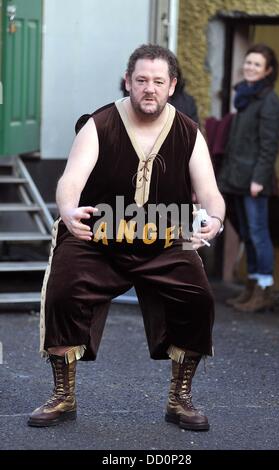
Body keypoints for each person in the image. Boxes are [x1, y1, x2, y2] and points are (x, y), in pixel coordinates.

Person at [28, 44, 225, 431]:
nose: (148, 89)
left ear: (171, 86)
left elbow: (209, 191)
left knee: (197, 297)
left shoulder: (189, 133)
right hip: (97, 235)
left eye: (157, 81)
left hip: (167, 235)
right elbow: (70, 182)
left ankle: (179, 398)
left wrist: (215, 218)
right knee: (64, 292)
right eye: (141, 80)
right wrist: (68, 210)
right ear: (127, 82)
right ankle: (63, 396)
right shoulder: (98, 124)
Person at [218, 43, 279, 312]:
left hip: (254, 181)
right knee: (247, 233)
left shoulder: (270, 100)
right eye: (248, 62)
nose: (250, 67)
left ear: (267, 71)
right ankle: (252, 287)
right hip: (237, 177)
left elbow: (269, 145)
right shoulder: (244, 96)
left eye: (257, 64)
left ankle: (264, 289)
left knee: (258, 234)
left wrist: (258, 179)